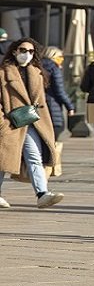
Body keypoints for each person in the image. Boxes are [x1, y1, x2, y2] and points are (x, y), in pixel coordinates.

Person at [0, 37, 64, 209]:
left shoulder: (36, 72)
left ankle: (42, 194)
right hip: (10, 122)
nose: (26, 54)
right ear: (14, 51)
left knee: (34, 157)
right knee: (3, 161)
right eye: (22, 50)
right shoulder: (3, 72)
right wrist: (3, 122)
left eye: (30, 51)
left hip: (31, 121)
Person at [41, 46, 75, 141]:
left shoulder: (36, 66)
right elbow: (59, 91)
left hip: (39, 105)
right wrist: (70, 106)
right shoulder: (54, 68)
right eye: (60, 56)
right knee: (54, 134)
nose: (62, 59)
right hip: (52, 105)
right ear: (53, 56)